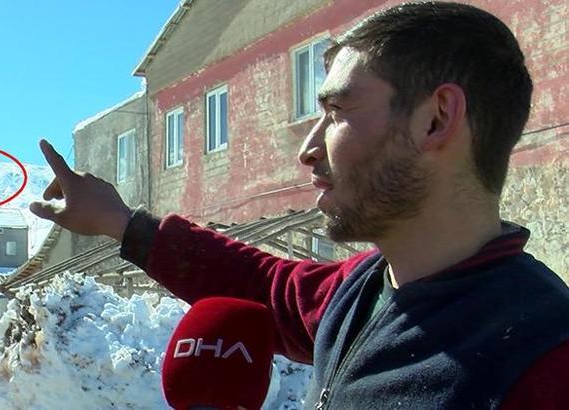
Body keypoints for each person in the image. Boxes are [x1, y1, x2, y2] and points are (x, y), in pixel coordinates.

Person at [30, 2, 569, 408]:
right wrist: (121, 223)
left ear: (436, 119)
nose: (308, 149)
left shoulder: (545, 362)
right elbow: (262, 284)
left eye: (337, 112)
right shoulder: (360, 291)